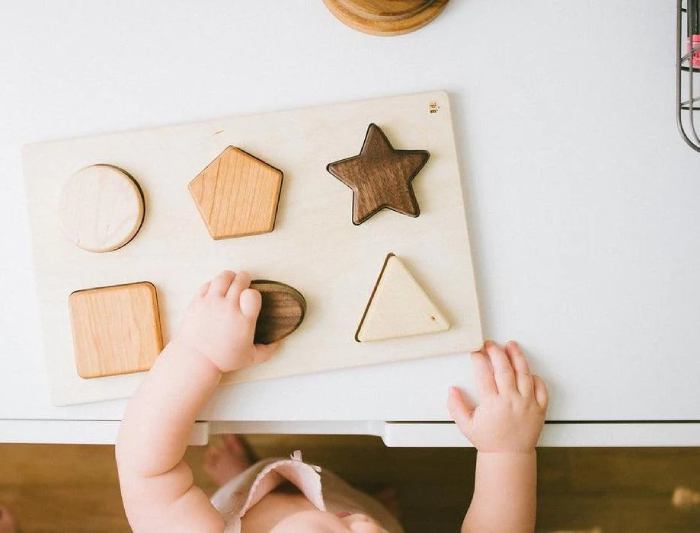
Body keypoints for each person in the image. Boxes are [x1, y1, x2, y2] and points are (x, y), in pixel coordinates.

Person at [116, 270, 548, 532]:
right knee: (366, 508)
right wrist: (506, 450)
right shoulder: (365, 525)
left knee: (230, 485)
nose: (366, 531)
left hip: (241, 502)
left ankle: (244, 472)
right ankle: (367, 498)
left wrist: (199, 353)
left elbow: (144, 466)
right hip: (344, 497)